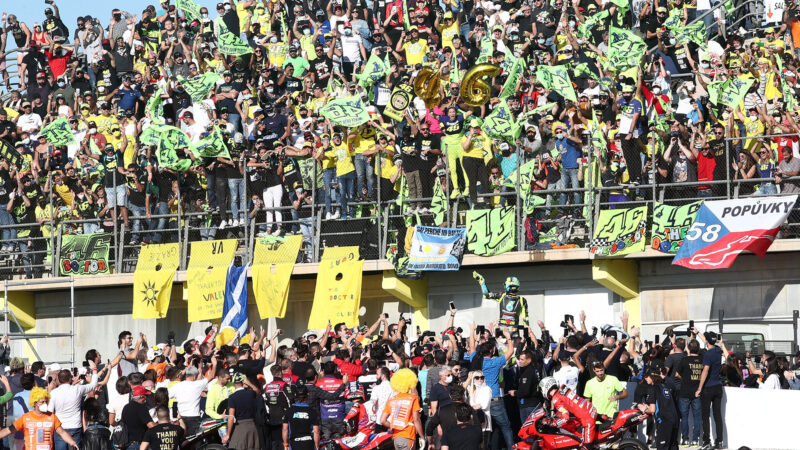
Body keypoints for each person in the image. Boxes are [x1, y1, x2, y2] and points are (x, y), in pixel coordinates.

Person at [0, 387, 79, 450]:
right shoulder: (26, 417)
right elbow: (9, 430)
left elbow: (62, 432)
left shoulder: (52, 416)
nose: (45, 404)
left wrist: (72, 442)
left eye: (46, 401)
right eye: (42, 402)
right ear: (35, 403)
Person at [538, 377, 598, 448]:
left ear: (546, 387)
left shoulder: (556, 399)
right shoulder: (563, 388)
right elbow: (569, 404)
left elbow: (565, 417)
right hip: (591, 410)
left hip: (587, 420)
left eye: (541, 389)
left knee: (585, 447)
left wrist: (552, 423)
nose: (542, 392)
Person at [380, 369, 424, 450]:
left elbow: (382, 420)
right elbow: (416, 419)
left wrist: (394, 426)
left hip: (396, 437)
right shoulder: (413, 399)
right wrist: (422, 437)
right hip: (408, 436)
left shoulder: (392, 400)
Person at [639, 361, 679, 450]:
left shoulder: (653, 388)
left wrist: (644, 409)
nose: (645, 378)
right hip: (675, 419)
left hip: (664, 421)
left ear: (652, 376)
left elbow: (653, 410)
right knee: (673, 446)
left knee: (662, 447)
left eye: (647, 376)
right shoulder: (665, 386)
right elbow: (662, 405)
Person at [696, 331, 724, 450]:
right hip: (718, 387)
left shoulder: (708, 354)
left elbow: (705, 371)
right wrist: (697, 332)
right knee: (718, 416)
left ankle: (707, 442)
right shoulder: (718, 350)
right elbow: (708, 341)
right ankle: (719, 441)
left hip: (708, 388)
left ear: (707, 342)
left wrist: (699, 388)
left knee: (705, 416)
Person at [282, 384, 320, 450]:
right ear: (308, 395)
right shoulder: (312, 411)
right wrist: (316, 446)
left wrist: (285, 444)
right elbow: (316, 431)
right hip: (309, 444)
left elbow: (285, 429)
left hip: (294, 444)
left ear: (295, 395)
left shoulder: (289, 411)